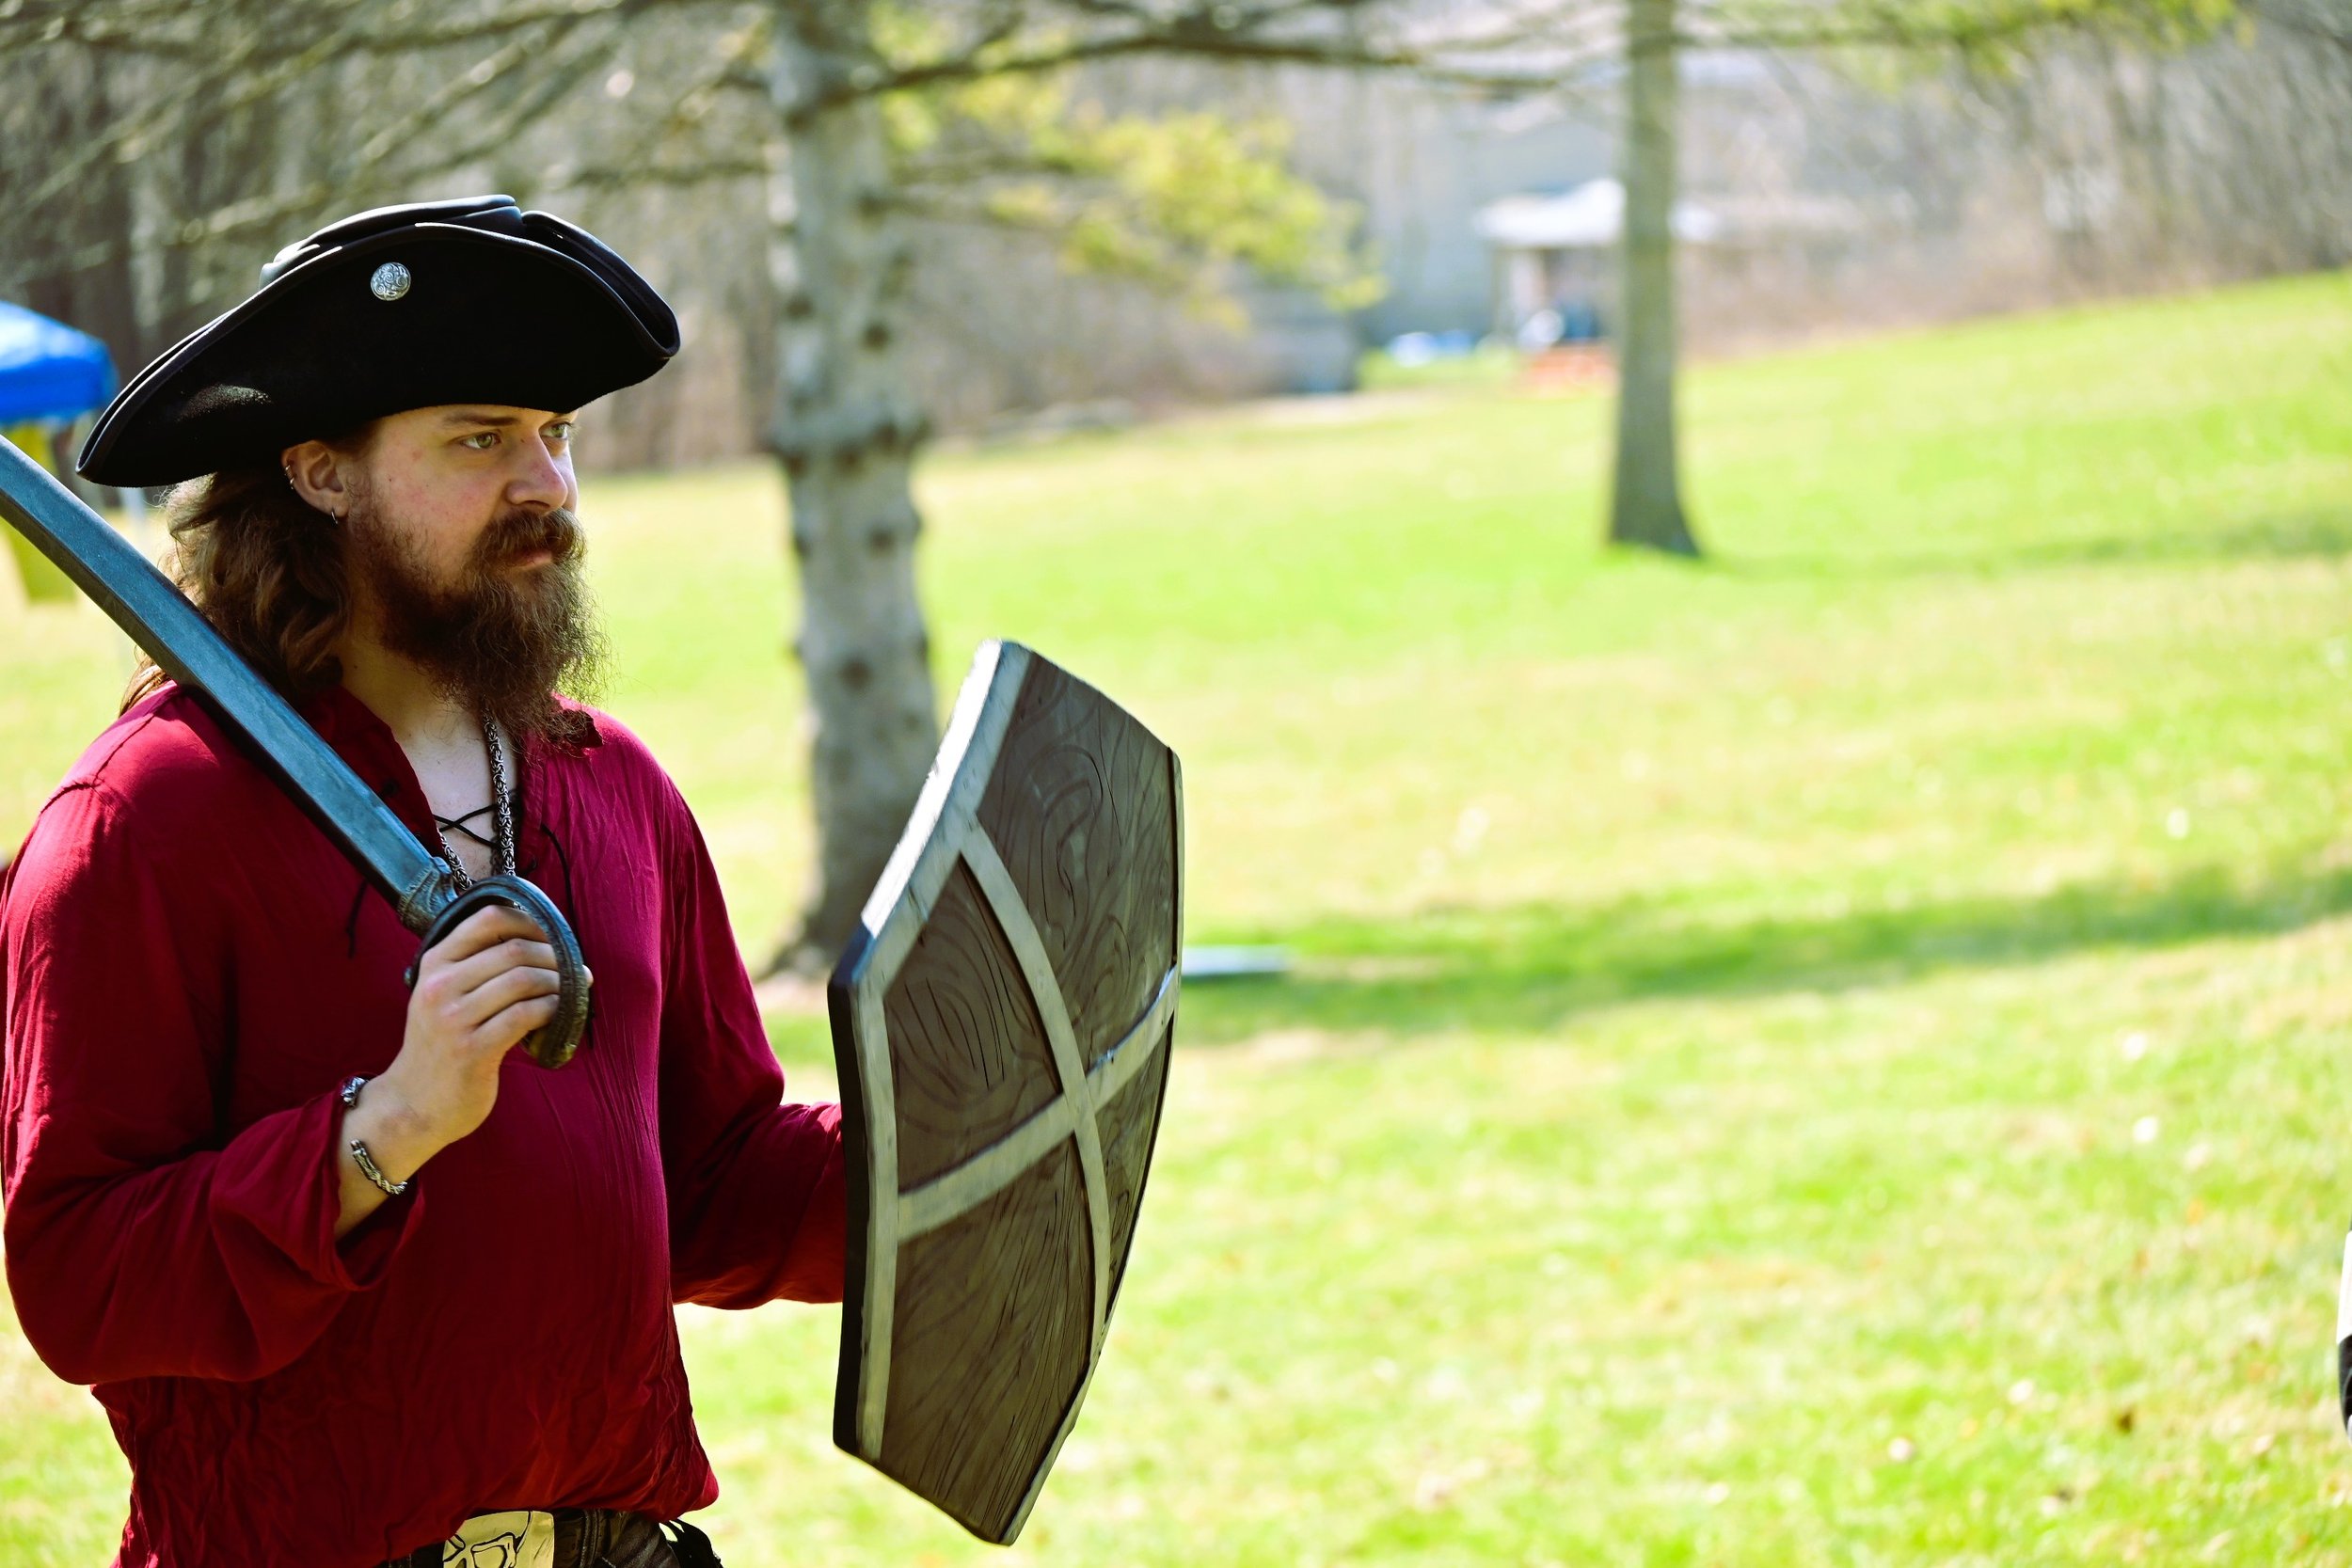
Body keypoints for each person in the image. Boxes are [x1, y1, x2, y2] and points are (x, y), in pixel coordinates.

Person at [0, 198, 845, 1568]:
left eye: (555, 435)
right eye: (480, 438)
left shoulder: (610, 785)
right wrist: (383, 1130)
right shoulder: (142, 823)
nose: (547, 486)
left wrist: (947, 1157)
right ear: (321, 474)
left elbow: (708, 1178)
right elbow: (81, 1283)